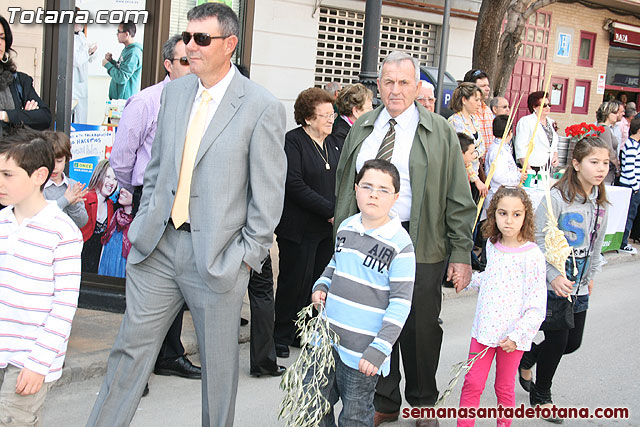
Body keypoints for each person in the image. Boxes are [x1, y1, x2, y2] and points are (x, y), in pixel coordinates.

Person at [86, 3, 287, 426]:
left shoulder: (260, 106)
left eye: (201, 39)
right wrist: (143, 226)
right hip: (158, 248)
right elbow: (157, 167)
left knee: (218, 368)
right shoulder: (175, 92)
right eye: (187, 37)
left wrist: (244, 258)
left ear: (229, 45)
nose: (189, 46)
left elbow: (268, 197)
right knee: (128, 353)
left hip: (217, 258)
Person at [334, 51, 476, 427]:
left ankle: (423, 401)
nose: (395, 90)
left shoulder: (439, 130)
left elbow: (459, 197)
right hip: (365, 240)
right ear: (378, 85)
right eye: (388, 82)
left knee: (419, 327)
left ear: (417, 87)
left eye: (404, 82)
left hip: (420, 240)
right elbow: (345, 189)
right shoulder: (363, 127)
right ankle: (385, 399)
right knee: (375, 322)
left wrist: (461, 252)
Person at [110, 34, 201, 386]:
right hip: (150, 198)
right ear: (167, 64)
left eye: (194, 60)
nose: (190, 66)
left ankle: (169, 355)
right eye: (183, 61)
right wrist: (139, 193)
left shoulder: (200, 103)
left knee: (176, 282)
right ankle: (134, 370)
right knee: (144, 286)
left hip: (188, 202)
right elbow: (121, 160)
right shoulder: (147, 101)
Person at [309, 159, 415, 426]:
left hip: (362, 352)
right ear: (355, 189)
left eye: (383, 189)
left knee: (355, 415)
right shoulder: (346, 227)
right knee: (312, 402)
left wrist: (380, 349)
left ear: (396, 197)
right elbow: (335, 264)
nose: (374, 194)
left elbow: (401, 304)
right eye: (367, 186)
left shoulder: (400, 245)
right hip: (326, 340)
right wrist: (322, 285)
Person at [519, 137, 610, 421]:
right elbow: (537, 240)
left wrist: (591, 274)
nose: (600, 169)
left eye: (605, 163)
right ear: (576, 163)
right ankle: (541, 395)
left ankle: (528, 356)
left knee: (572, 343)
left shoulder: (600, 203)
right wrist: (554, 276)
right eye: (594, 162)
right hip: (554, 284)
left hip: (579, 285)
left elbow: (597, 244)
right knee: (559, 340)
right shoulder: (556, 199)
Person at [0, 128, 83, 426]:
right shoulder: (2, 222)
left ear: (39, 175)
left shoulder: (63, 233)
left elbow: (63, 307)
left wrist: (38, 364)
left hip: (27, 360)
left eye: (8, 175)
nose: (1, 182)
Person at [455, 186, 546, 427]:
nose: (509, 220)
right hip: (484, 330)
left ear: (526, 216)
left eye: (517, 214)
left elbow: (537, 304)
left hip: (511, 337)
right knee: (472, 382)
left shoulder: (533, 255)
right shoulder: (492, 245)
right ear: (493, 214)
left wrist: (517, 336)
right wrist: (467, 280)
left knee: (504, 388)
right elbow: (492, 279)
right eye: (503, 213)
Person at [273, 87, 340, 359]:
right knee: (293, 283)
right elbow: (294, 184)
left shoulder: (335, 142)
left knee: (316, 284)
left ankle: (304, 330)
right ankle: (280, 334)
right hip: (299, 227)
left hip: (325, 228)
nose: (330, 119)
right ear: (308, 118)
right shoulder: (294, 141)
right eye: (323, 115)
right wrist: (329, 209)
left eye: (331, 113)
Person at [0, 15, 51, 132]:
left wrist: (6, 116)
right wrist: (24, 116)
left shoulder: (19, 80)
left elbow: (44, 117)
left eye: (2, 38)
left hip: (14, 149)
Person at [483, 115, 527, 219]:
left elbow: (505, 167)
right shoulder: (498, 151)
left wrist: (516, 170)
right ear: (510, 132)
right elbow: (498, 176)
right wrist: (518, 177)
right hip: (496, 194)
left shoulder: (502, 148)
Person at [42, 130, 88, 229]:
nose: (54, 167)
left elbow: (82, 222)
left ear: (66, 159)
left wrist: (73, 204)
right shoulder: (37, 186)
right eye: (49, 161)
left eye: (59, 161)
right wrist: (65, 200)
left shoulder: (72, 185)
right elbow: (40, 217)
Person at [449, 82, 488, 198]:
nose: (479, 104)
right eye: (476, 100)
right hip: (462, 177)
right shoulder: (455, 122)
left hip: (476, 172)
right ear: (464, 100)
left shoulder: (474, 120)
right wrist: (476, 180)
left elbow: (482, 146)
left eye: (480, 100)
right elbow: (463, 155)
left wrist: (474, 154)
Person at [79, 160, 117, 273]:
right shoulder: (84, 199)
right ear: (99, 176)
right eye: (108, 177)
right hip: (79, 258)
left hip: (97, 264)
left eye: (115, 179)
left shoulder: (111, 206)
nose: (111, 182)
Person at [514, 91, 559, 172]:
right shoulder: (526, 121)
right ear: (534, 107)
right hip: (533, 166)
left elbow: (553, 145)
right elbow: (520, 147)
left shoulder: (551, 122)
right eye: (544, 105)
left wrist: (555, 155)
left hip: (548, 167)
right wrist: (528, 169)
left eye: (549, 105)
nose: (548, 107)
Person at [103, 20, 143, 100]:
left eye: (119, 32)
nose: (117, 34)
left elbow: (121, 78)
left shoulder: (133, 53)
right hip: (118, 101)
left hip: (124, 102)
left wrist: (108, 65)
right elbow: (121, 68)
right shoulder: (127, 50)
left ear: (126, 34)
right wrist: (111, 61)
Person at [98, 188, 133, 278]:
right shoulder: (113, 214)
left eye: (129, 188)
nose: (123, 190)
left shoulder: (138, 223)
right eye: (123, 186)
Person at [618, 117, 640, 255]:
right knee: (628, 215)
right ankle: (623, 242)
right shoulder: (632, 145)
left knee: (629, 214)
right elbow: (629, 169)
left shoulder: (634, 144)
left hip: (631, 187)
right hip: (631, 187)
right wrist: (636, 186)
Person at [72, 8, 97, 123]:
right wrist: (86, 50)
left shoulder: (81, 36)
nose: (82, 24)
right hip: (73, 83)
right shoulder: (68, 37)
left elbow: (86, 57)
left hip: (80, 82)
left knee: (81, 116)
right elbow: (76, 60)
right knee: (74, 116)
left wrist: (91, 52)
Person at [332, 83, 373, 148]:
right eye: (369, 108)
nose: (372, 112)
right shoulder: (341, 136)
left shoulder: (353, 129)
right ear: (356, 111)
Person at [463, 69, 494, 154]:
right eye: (483, 86)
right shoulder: (465, 113)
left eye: (488, 85)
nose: (487, 89)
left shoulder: (488, 111)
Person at [595, 101, 622, 184]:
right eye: (614, 113)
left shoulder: (598, 127)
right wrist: (617, 167)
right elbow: (609, 150)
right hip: (606, 174)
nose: (617, 115)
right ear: (607, 113)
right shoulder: (604, 129)